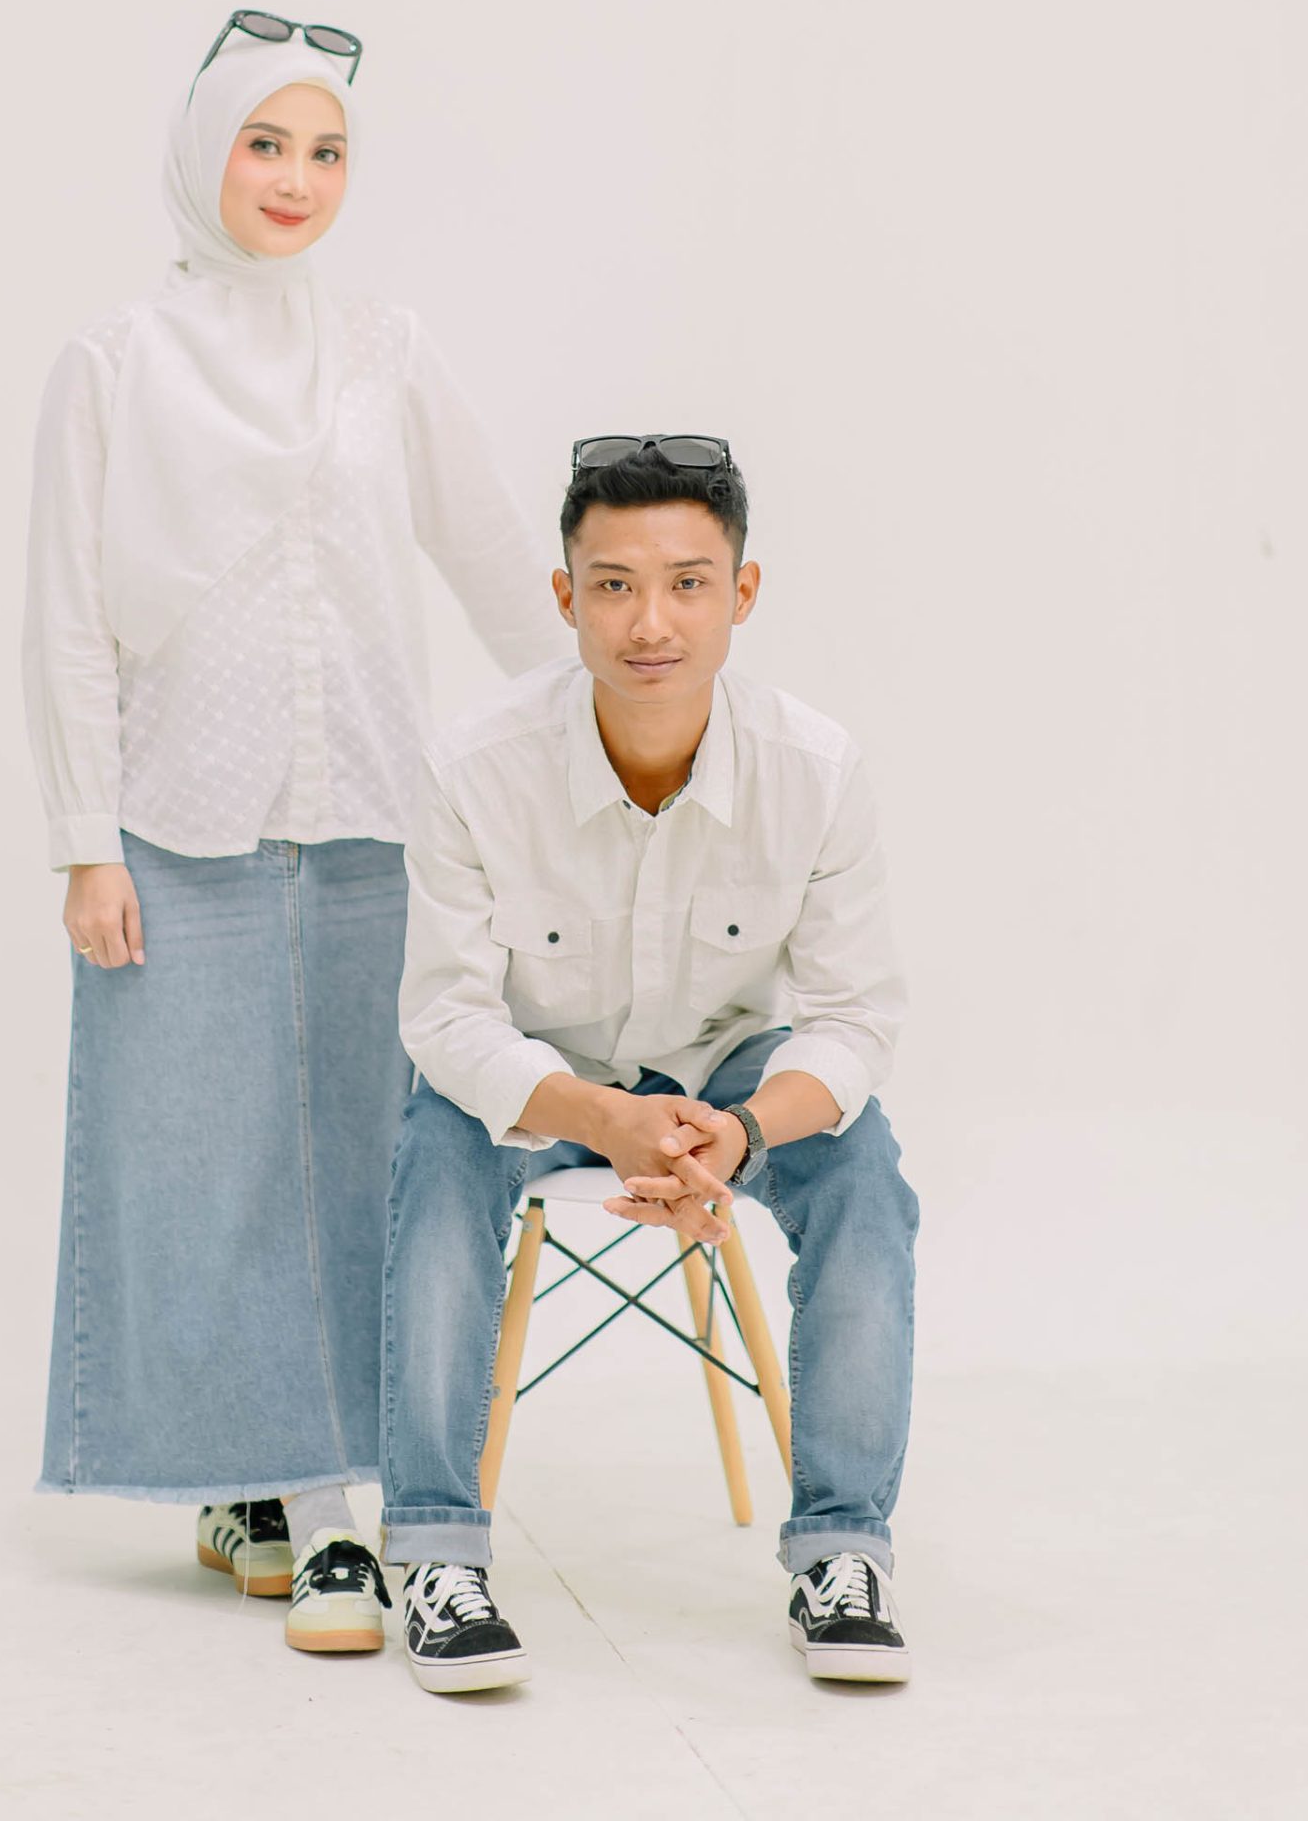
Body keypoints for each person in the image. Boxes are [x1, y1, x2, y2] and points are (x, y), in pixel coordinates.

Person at [22, 9, 566, 1656]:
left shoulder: (383, 350)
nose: (296, 179)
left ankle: (315, 1493)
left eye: (326, 151)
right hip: (175, 829)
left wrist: (595, 730)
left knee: (359, 1160)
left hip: (375, 823)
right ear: (206, 152)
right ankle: (278, 1491)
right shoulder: (114, 362)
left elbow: (486, 551)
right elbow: (65, 617)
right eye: (266, 143)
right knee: (203, 1170)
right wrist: (83, 838)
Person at [378, 434, 919, 1692]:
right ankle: (437, 1555)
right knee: (435, 1147)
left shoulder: (816, 770)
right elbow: (447, 1017)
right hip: (543, 1073)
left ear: (743, 592)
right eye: (613, 585)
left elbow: (854, 1018)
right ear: (565, 598)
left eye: (687, 582)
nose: (651, 622)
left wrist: (742, 1132)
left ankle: (843, 1551)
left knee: (865, 1168)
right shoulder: (473, 767)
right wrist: (599, 1116)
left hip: (730, 1070)